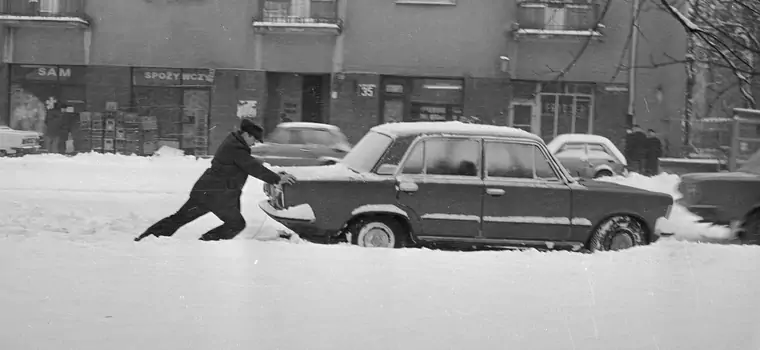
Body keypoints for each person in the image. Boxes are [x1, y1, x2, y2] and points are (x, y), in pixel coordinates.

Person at [134, 119, 297, 242]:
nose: (255, 143)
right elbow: (250, 166)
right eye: (254, 139)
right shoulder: (236, 148)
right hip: (216, 195)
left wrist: (270, 171)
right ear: (247, 134)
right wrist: (276, 178)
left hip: (207, 192)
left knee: (179, 218)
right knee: (236, 224)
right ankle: (206, 242)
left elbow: (246, 161)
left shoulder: (234, 143)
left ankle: (146, 239)